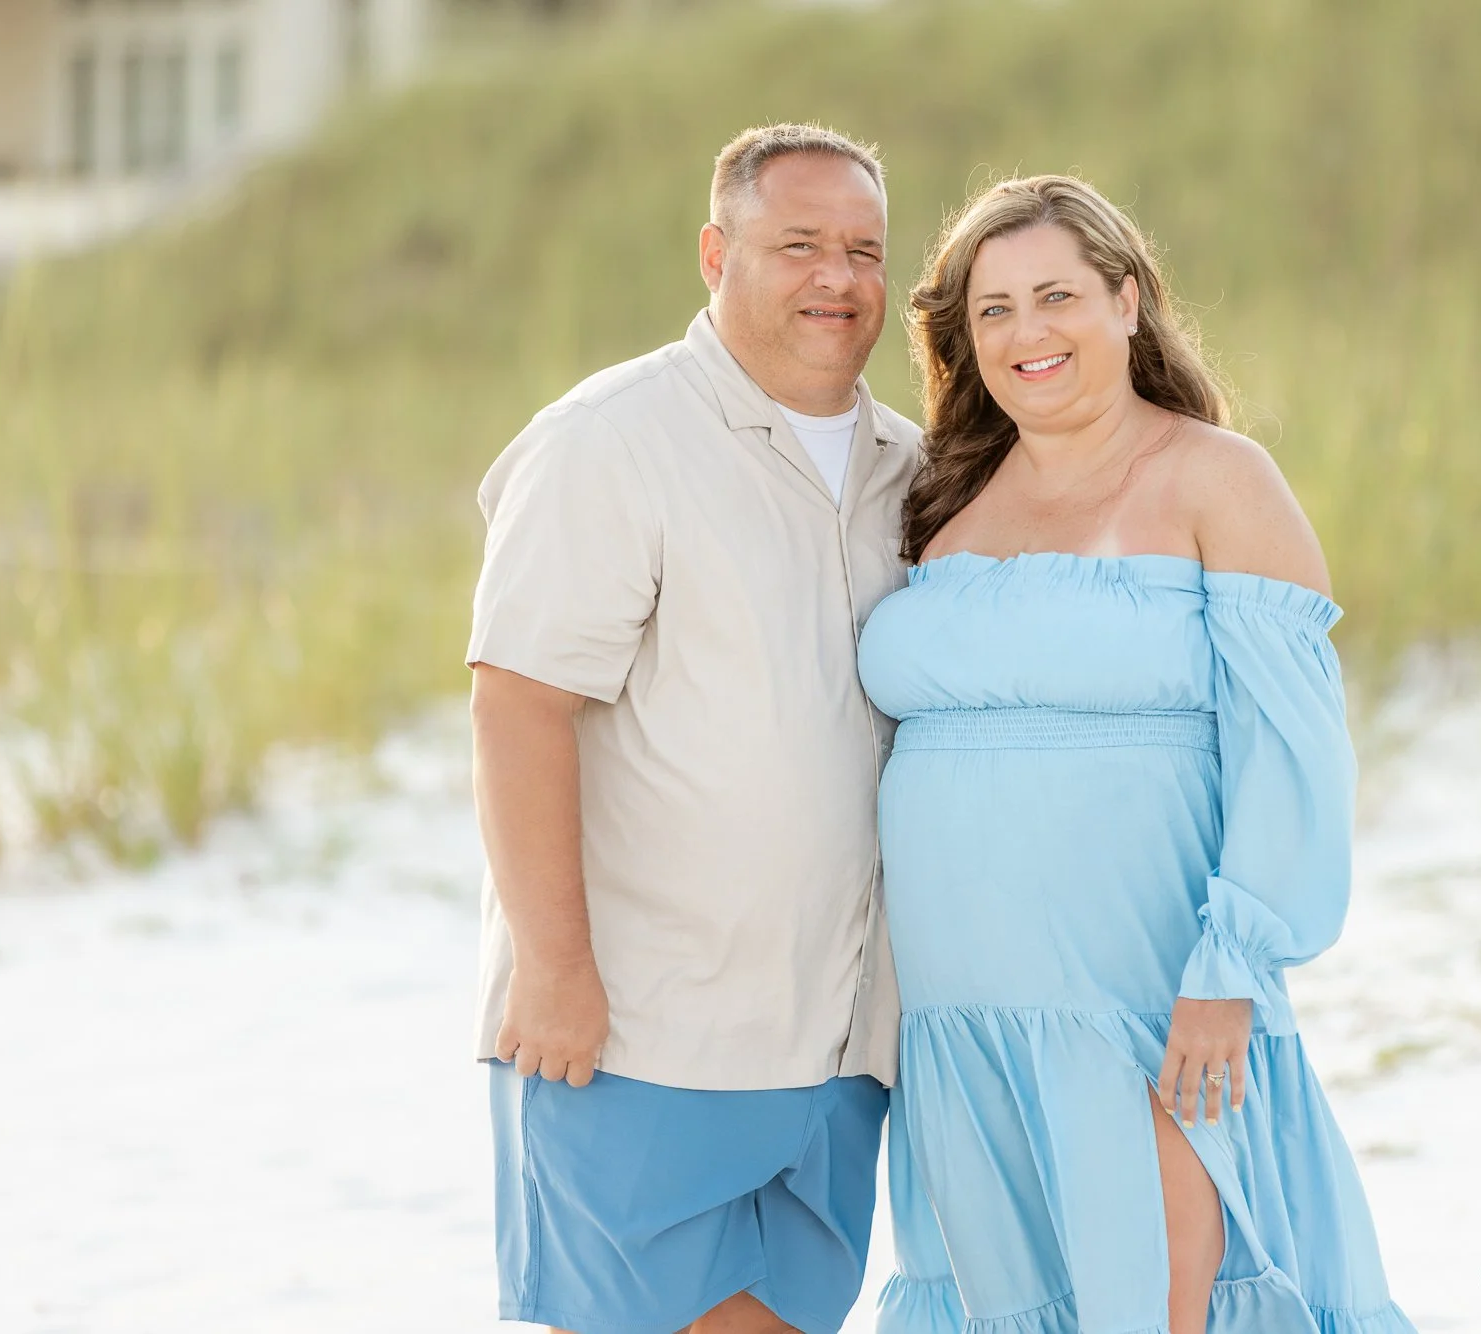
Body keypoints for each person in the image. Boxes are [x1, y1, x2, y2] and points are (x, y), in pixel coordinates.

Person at [859, 176, 1419, 1334]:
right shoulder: (939, 496)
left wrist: (1231, 963)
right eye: (993, 309)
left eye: (1055, 295)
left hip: (1147, 984)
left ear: (1125, 300)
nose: (1026, 331)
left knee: (1163, 1300)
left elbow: (1292, 753)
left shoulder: (1215, 476)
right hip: (962, 1009)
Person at [463, 123, 922, 1334]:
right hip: (636, 1037)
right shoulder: (610, 441)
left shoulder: (913, 470)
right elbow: (517, 705)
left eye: (864, 250)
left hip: (835, 1047)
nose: (837, 277)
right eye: (799, 245)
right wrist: (555, 969)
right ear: (716, 255)